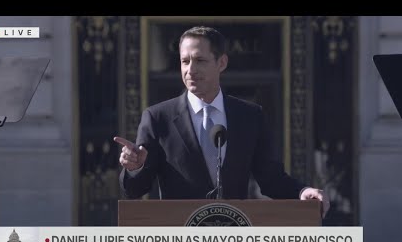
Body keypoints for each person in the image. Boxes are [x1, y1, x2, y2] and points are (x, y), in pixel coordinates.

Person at [114, 26, 330, 217]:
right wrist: (136, 167)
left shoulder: (249, 116)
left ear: (222, 62)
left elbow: (271, 177)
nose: (191, 69)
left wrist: (302, 192)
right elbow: (134, 190)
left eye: (200, 60)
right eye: (185, 61)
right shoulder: (158, 117)